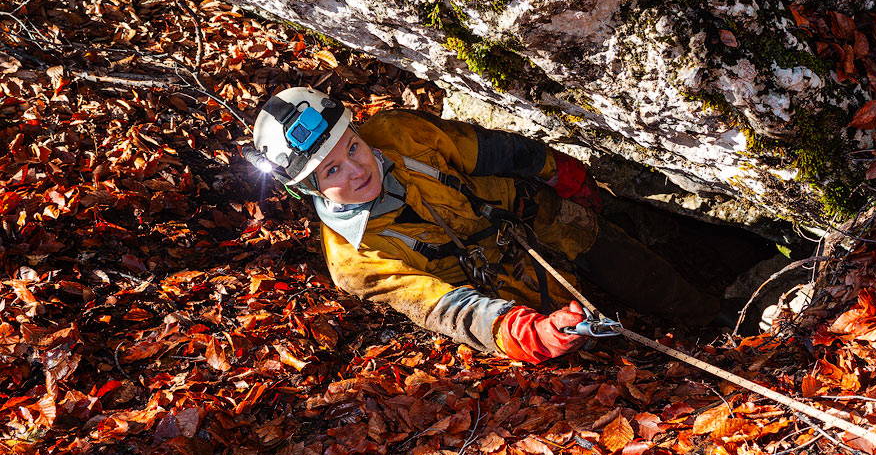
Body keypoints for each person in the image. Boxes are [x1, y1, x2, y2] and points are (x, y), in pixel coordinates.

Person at [248, 87, 722, 364]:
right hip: (510, 294)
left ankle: (713, 317)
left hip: (535, 216)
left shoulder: (398, 134)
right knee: (602, 348)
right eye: (331, 171)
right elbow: (444, 308)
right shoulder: (355, 261)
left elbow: (489, 148)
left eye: (351, 146)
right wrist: (522, 333)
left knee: (636, 267)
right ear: (309, 189)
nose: (356, 169)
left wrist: (558, 171)